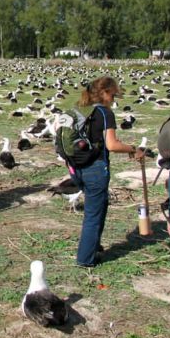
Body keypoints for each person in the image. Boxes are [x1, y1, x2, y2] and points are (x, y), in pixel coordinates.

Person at [72, 76, 145, 267]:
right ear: (104, 93)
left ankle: (94, 245)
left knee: (99, 206)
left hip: (76, 167)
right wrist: (132, 148)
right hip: (95, 168)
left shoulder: (78, 110)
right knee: (93, 215)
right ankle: (85, 259)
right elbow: (111, 145)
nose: (114, 100)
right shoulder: (104, 113)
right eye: (113, 95)